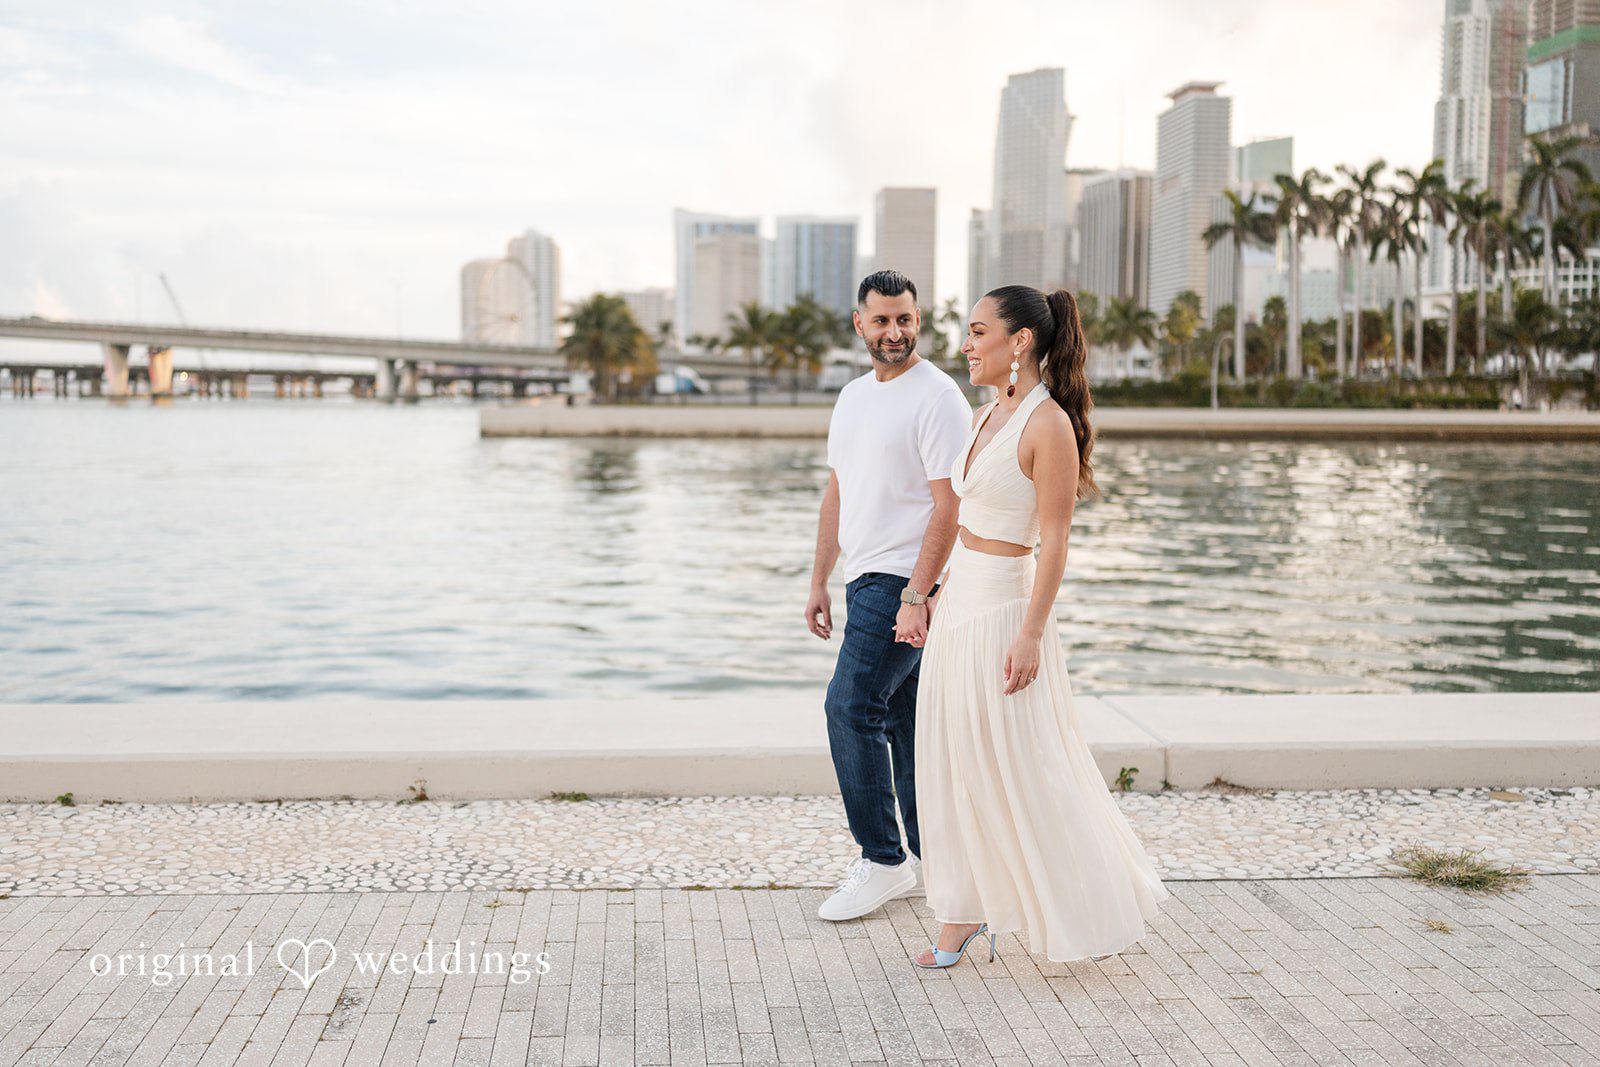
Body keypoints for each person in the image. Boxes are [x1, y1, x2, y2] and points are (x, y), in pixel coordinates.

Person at [908, 285, 1167, 968]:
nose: (966, 344)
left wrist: (1029, 634)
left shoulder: (1046, 425)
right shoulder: (983, 415)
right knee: (955, 757)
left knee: (1023, 764)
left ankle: (1085, 895)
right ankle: (961, 912)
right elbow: (959, 519)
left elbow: (1055, 542)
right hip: (960, 602)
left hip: (1004, 612)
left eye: (977, 331)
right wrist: (930, 592)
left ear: (1018, 342)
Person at [806, 269, 974, 922]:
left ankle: (883, 859)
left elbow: (949, 507)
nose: (896, 332)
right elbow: (838, 493)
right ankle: (932, 857)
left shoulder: (938, 398)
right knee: (902, 720)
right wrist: (819, 577)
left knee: (849, 706)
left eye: (905, 319)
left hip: (902, 581)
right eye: (882, 321)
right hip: (863, 578)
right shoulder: (851, 398)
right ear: (860, 324)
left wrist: (919, 592)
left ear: (918, 319)